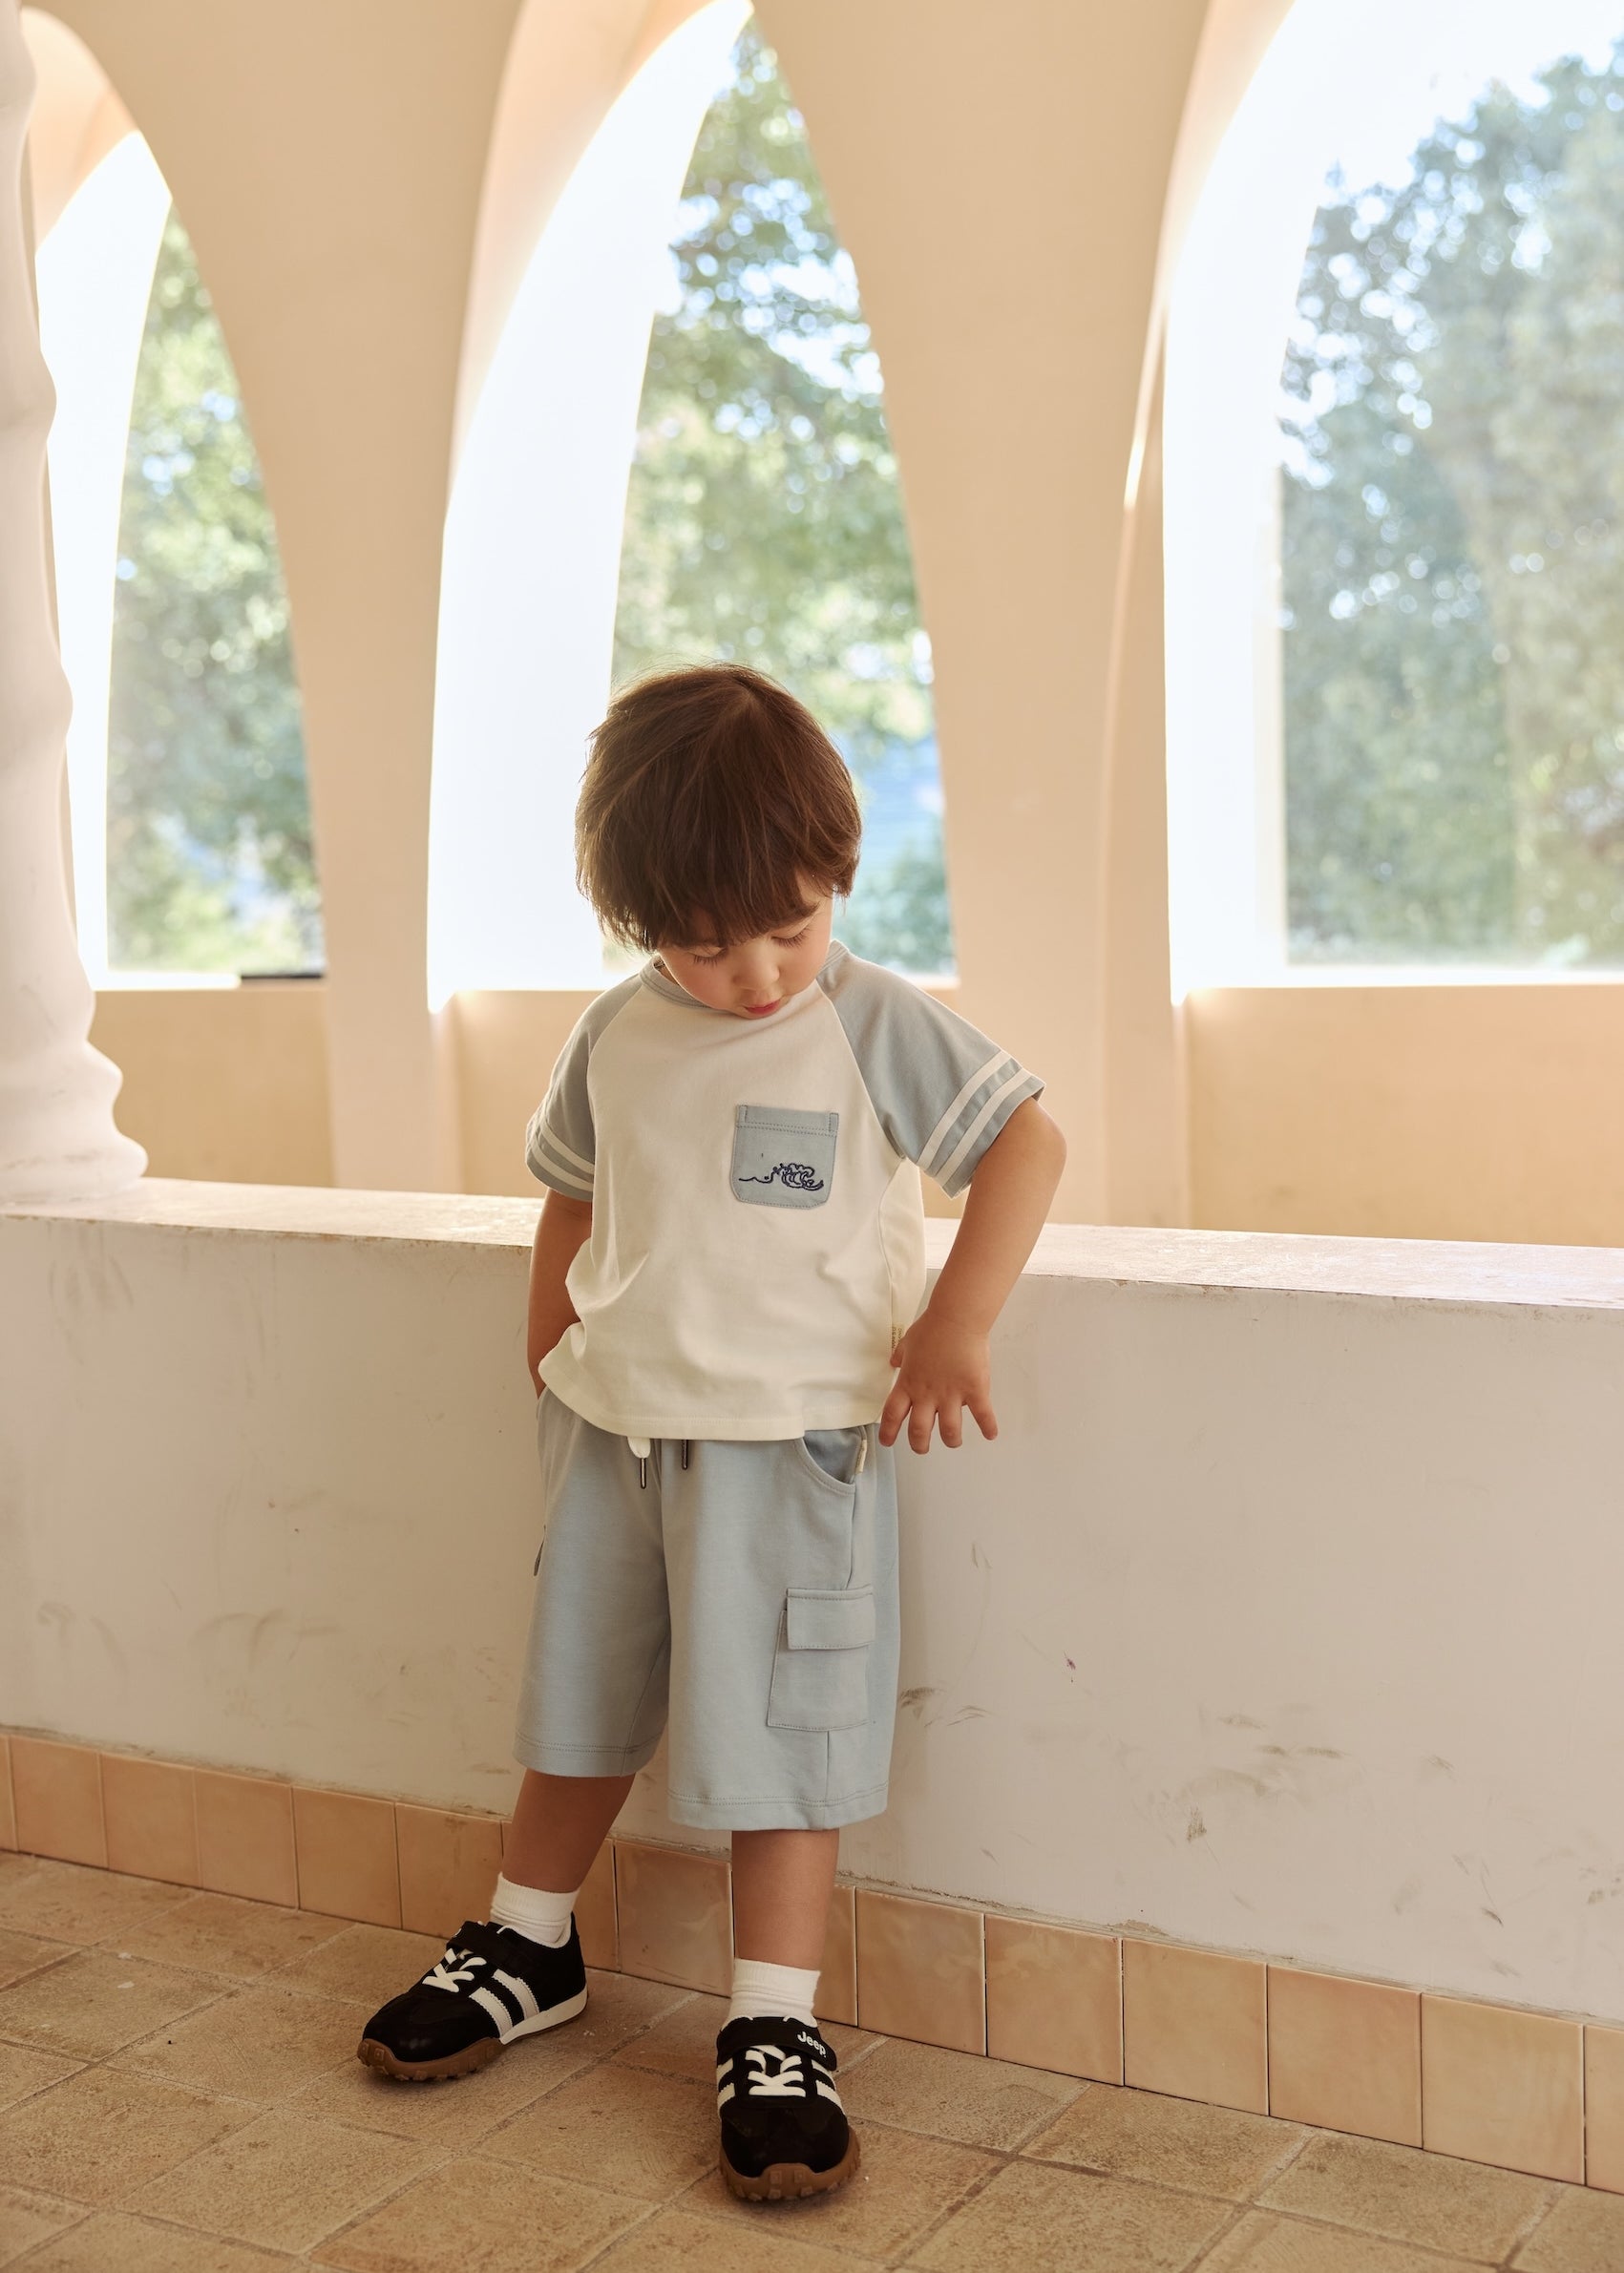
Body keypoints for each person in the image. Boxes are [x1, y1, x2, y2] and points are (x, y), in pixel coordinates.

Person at [357, 664, 1066, 2201]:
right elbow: (569, 1186)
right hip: (615, 1434)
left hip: (794, 1448)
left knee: (781, 1745)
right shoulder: (614, 1032)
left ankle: (773, 2023)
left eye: (789, 927)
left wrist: (956, 1319)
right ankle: (528, 1942)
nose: (752, 971)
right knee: (576, 1698)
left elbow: (1024, 1139)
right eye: (704, 939)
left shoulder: (876, 1021)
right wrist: (545, 1340)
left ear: (837, 882)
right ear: (635, 917)